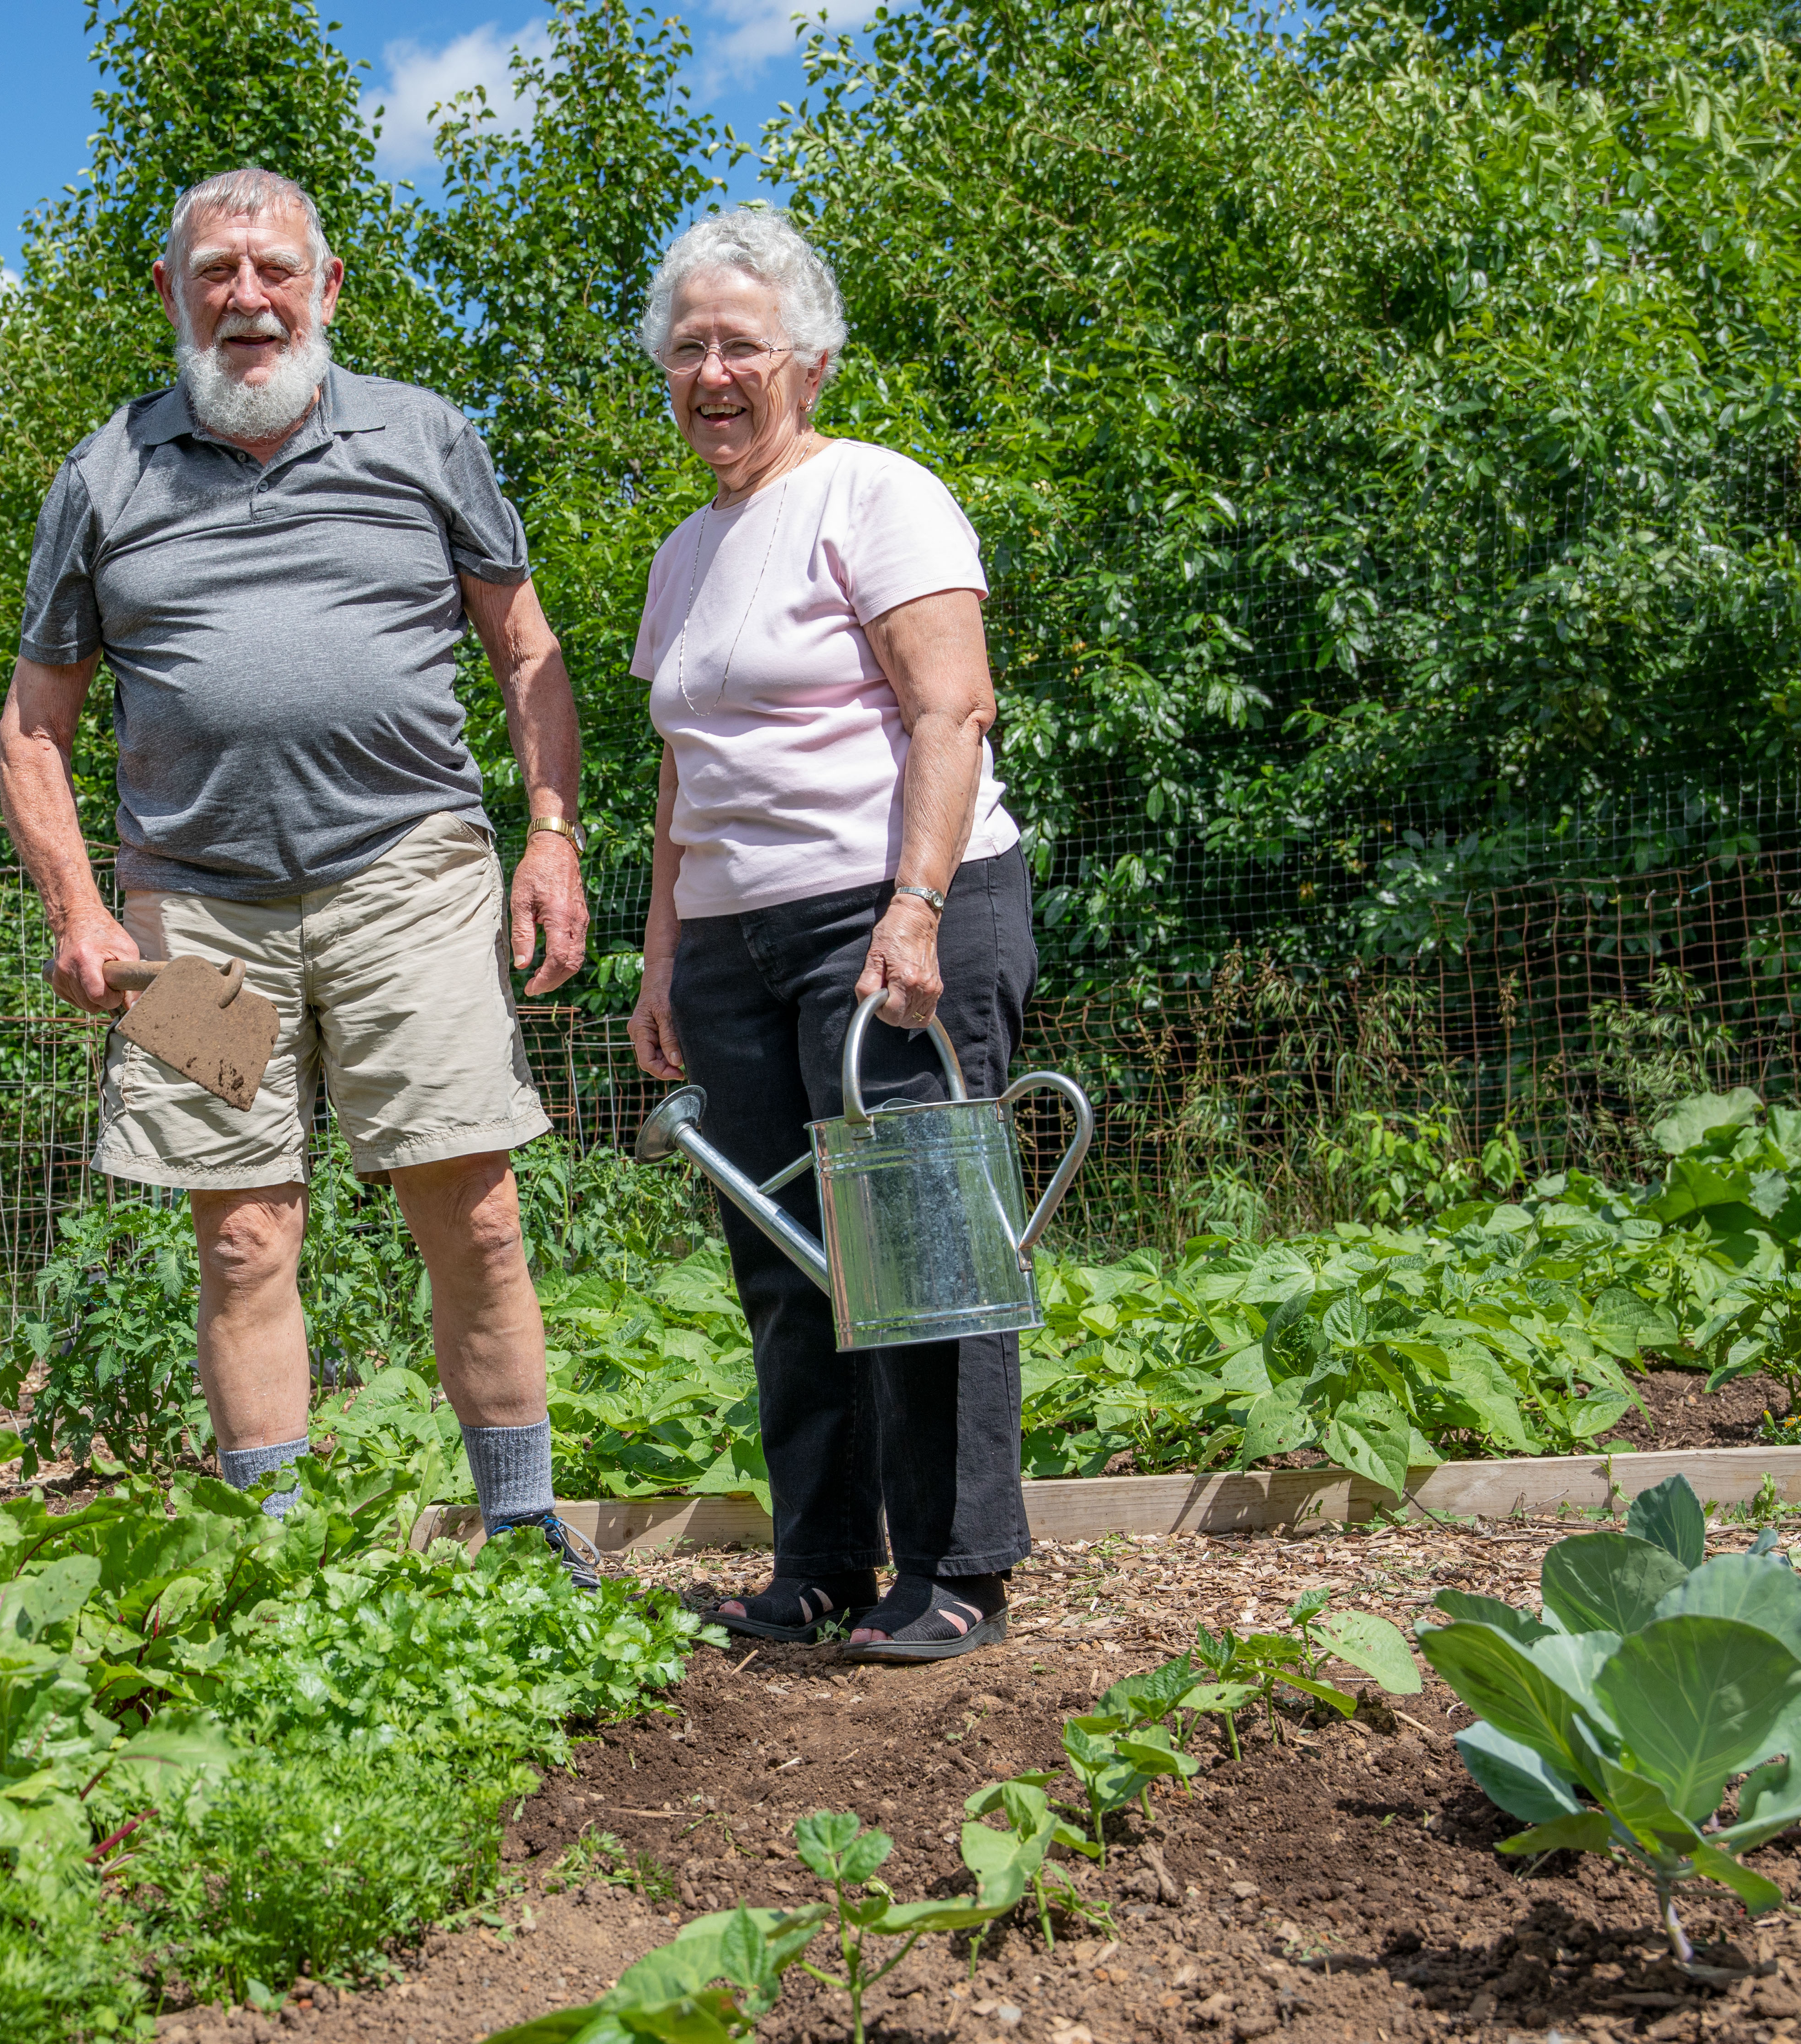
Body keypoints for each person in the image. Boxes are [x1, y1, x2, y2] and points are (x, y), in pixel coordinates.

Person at [0, 166, 600, 1584]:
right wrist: (79, 910)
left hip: (415, 879)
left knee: (477, 1209)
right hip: (196, 909)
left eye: (276, 272)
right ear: (171, 295)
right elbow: (34, 726)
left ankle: (523, 1526)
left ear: (327, 287)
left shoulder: (425, 438)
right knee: (243, 1241)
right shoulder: (106, 476)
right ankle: (275, 1559)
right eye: (216, 273)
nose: (247, 300)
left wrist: (554, 836)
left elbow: (530, 654)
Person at [624, 209, 1037, 1662]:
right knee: (786, 1257)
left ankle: (957, 1569)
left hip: (892, 913)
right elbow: (684, 773)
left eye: (741, 345)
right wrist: (663, 955)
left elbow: (951, 708)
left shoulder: (878, 494)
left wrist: (915, 908)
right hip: (737, 941)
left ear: (808, 359)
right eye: (687, 350)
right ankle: (820, 1565)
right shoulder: (684, 554)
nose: (712, 373)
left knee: (920, 1245)